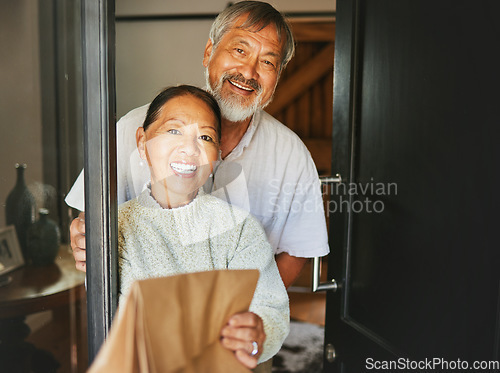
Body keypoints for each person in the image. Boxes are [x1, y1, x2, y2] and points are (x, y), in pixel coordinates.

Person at [68, 1, 329, 289]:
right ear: (209, 52)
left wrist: (252, 308)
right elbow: (90, 217)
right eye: (239, 50)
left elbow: (298, 249)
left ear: (277, 76)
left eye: (267, 61)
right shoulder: (133, 128)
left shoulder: (291, 155)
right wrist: (83, 236)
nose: (249, 71)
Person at [117, 85, 289, 370]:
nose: (189, 148)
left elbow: (270, 309)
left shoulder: (239, 229)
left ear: (216, 154)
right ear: (142, 141)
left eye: (205, 137)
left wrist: (258, 334)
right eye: (174, 131)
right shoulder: (115, 227)